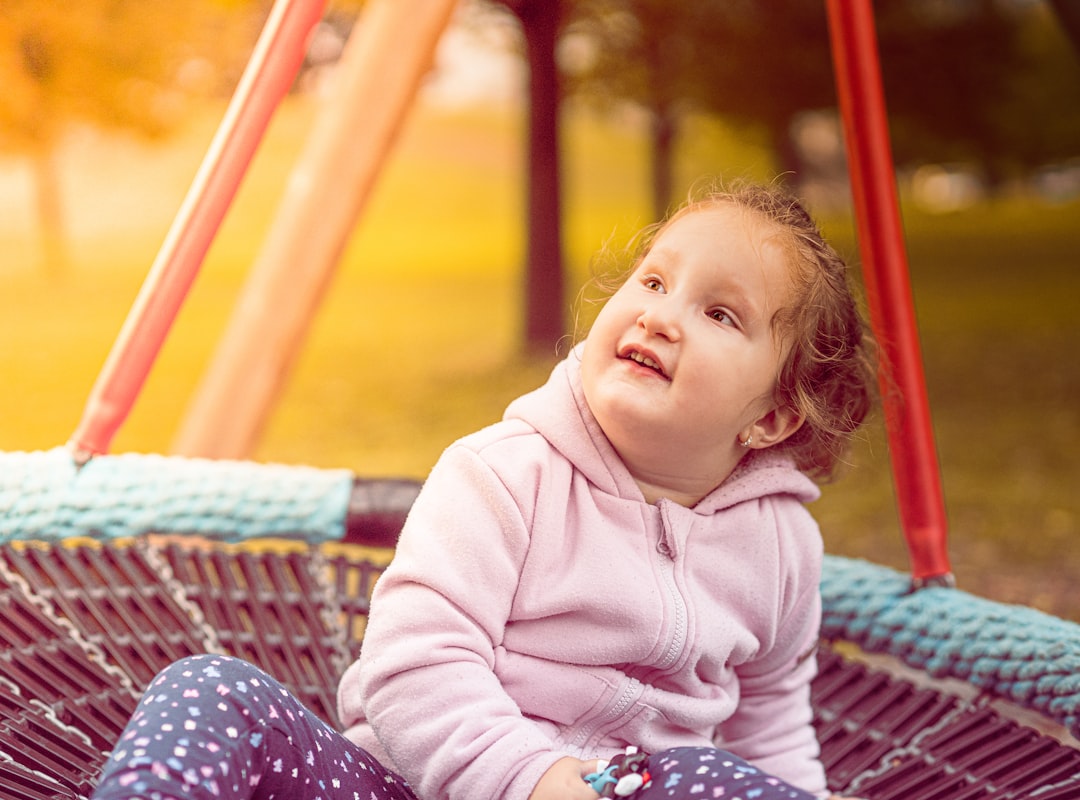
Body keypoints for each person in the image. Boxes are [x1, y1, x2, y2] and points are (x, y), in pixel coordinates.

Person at [91, 179, 876, 800]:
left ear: (770, 419)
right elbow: (413, 664)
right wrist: (528, 778)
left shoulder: (779, 548)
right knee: (211, 690)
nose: (660, 317)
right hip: (410, 787)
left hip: (625, 790)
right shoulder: (504, 475)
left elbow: (772, 727)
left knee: (710, 781)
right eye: (654, 281)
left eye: (719, 313)